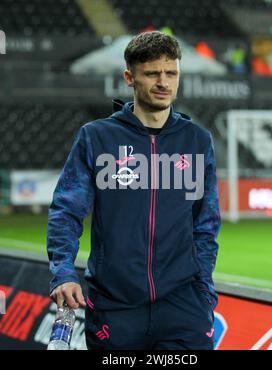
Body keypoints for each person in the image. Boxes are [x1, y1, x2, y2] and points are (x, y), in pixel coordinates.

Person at [47, 31, 221, 350]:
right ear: (130, 77)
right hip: (116, 306)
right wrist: (63, 272)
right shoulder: (97, 138)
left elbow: (206, 224)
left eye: (171, 73)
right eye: (152, 73)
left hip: (183, 306)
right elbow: (66, 211)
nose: (163, 82)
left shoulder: (197, 140)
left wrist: (203, 290)